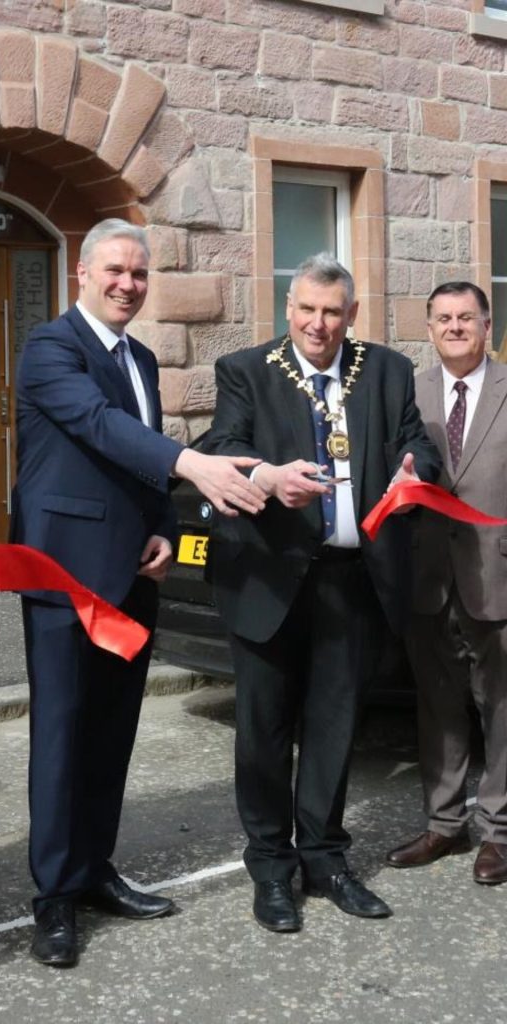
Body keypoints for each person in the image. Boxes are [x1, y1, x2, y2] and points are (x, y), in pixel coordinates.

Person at [11, 219, 265, 967]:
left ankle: (94, 870)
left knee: (112, 734)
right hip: (65, 581)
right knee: (62, 739)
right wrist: (195, 464)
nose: (128, 284)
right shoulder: (50, 347)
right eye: (116, 270)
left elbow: (140, 461)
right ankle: (54, 898)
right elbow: (99, 426)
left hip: (133, 576)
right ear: (82, 273)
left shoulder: (142, 357)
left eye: (140, 273)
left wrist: (162, 526)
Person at [205, 254, 441, 932]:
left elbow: (417, 445)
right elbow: (223, 444)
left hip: (351, 580)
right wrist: (267, 476)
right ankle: (271, 869)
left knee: (335, 728)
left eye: (332, 312)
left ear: (351, 315)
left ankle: (325, 859)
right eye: (307, 309)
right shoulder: (246, 370)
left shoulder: (386, 370)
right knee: (264, 732)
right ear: (289, 308)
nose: (318, 323)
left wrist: (415, 469)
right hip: (269, 577)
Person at [386, 281, 507, 885]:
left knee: (501, 706)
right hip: (428, 574)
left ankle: (499, 832)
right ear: (429, 328)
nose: (454, 327)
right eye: (443, 319)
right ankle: (444, 823)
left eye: (466, 317)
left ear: (487, 325)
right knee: (437, 704)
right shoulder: (408, 392)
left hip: (498, 573)